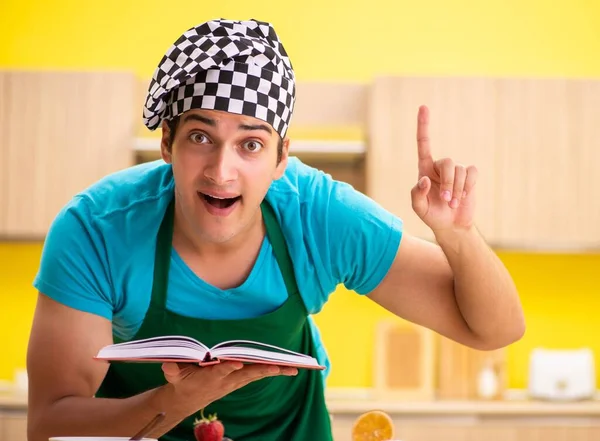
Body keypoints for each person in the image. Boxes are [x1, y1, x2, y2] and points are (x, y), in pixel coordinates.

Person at [26, 18, 525, 441]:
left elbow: (497, 330)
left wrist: (457, 235)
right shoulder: (97, 228)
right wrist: (175, 399)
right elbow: (50, 423)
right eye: (201, 136)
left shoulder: (319, 215)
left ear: (282, 157)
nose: (221, 172)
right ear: (167, 146)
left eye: (250, 144)